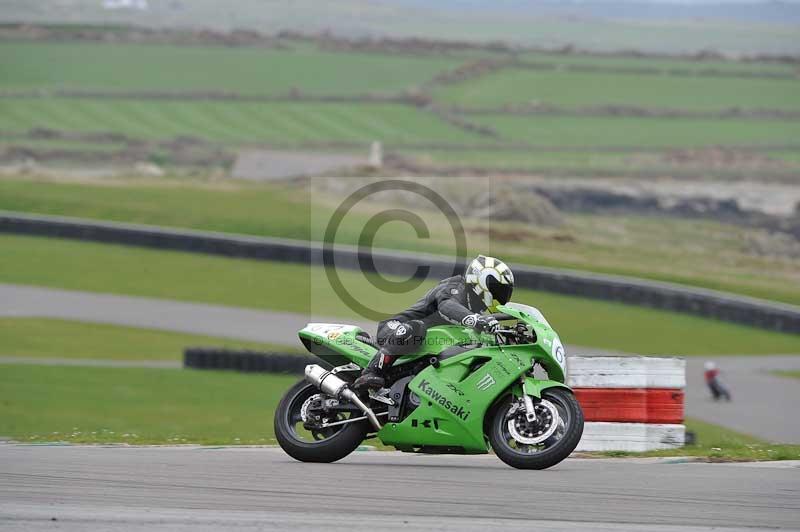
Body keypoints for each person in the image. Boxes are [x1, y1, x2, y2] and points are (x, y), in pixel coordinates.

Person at [353, 255, 515, 391]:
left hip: (423, 346)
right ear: (482, 280)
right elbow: (447, 306)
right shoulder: (455, 287)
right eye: (498, 289)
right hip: (396, 328)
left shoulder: (475, 308)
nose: (501, 296)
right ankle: (371, 372)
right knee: (416, 328)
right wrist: (476, 320)